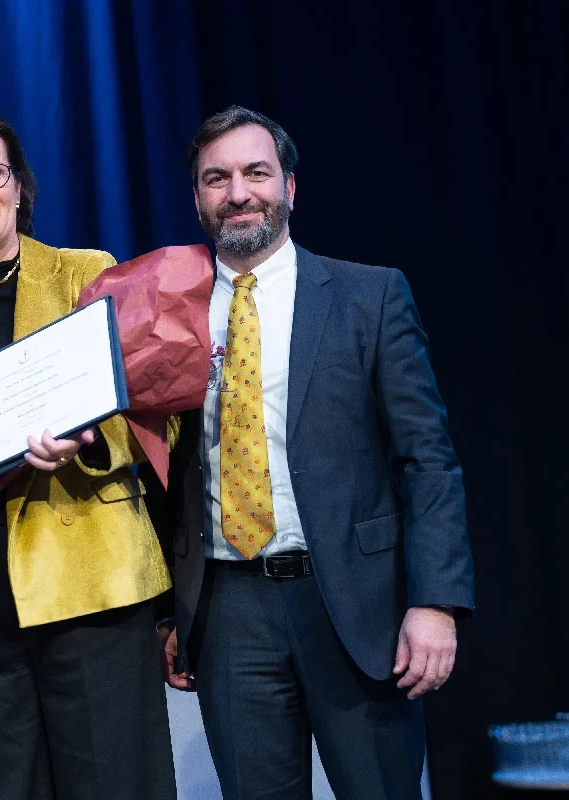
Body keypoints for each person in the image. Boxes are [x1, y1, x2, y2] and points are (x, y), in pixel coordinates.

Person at [150, 106, 475, 800]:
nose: (238, 192)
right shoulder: (165, 313)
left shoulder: (370, 296)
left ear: (289, 189)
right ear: (198, 197)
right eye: (217, 178)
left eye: (255, 173)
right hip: (228, 611)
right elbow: (159, 474)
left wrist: (436, 601)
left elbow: (429, 459)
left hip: (358, 608)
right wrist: (167, 613)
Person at [0, 112, 177, 800]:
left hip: (85, 589)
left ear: (20, 188)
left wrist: (83, 445)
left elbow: (153, 417)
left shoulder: (86, 273)